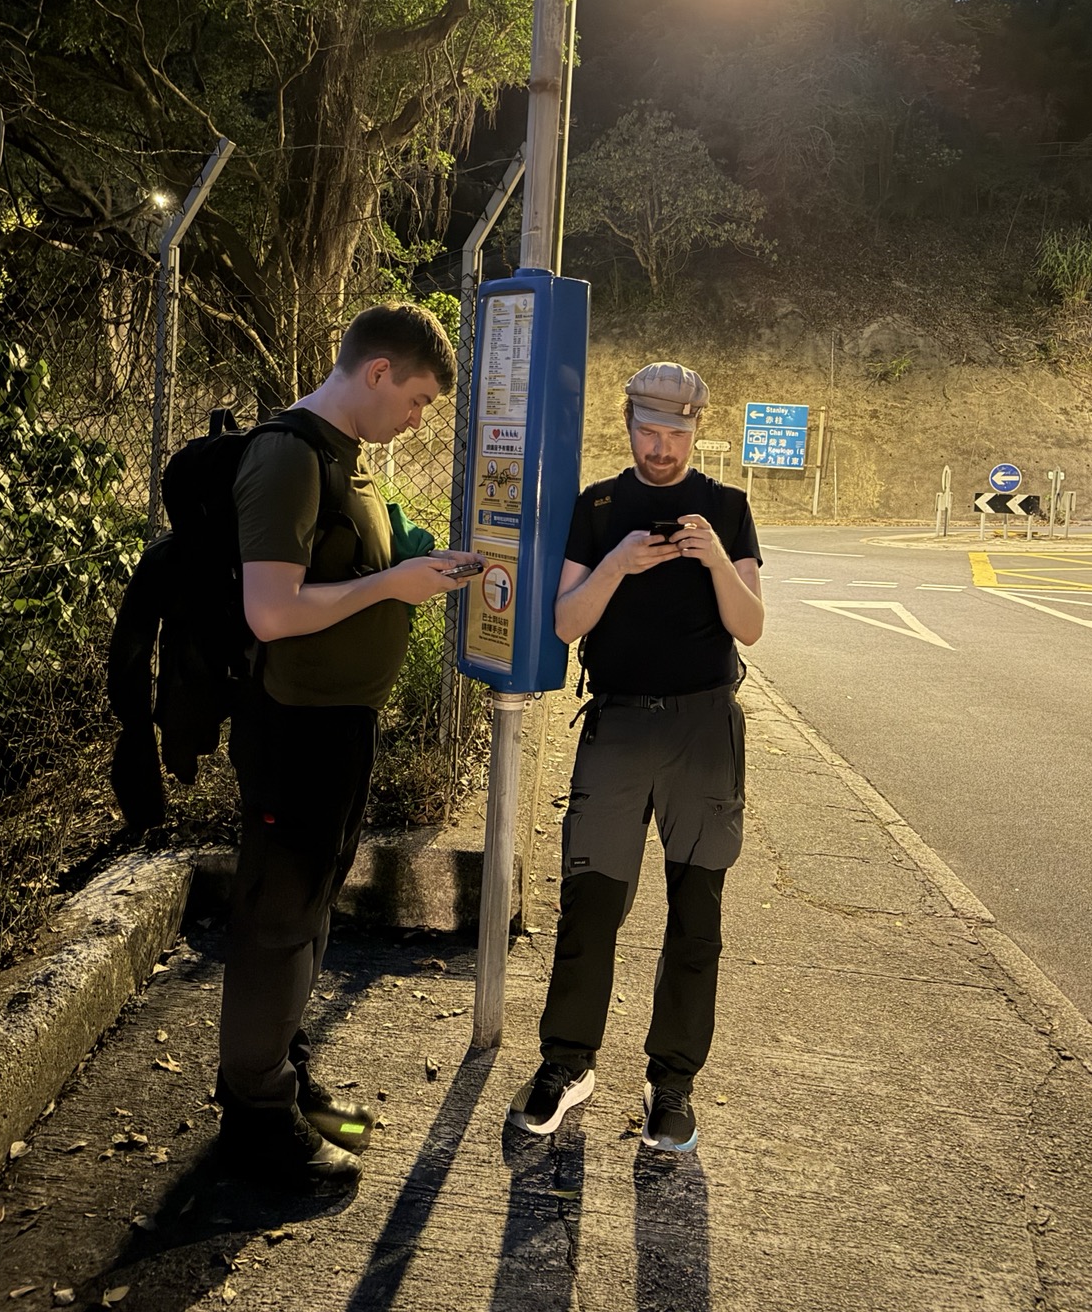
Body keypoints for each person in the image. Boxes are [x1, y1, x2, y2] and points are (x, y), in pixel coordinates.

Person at [216, 302, 483, 1190]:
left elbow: (357, 577)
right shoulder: (289, 458)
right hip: (291, 729)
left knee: (313, 913)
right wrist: (390, 587)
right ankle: (256, 1122)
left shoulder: (345, 461)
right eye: (415, 401)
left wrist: (411, 570)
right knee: (277, 921)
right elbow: (271, 610)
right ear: (376, 373)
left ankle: (285, 1083)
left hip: (337, 726)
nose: (417, 419)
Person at [507, 361, 764, 1153]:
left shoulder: (727, 507)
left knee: (697, 915)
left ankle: (673, 1084)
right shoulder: (600, 506)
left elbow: (750, 627)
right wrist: (619, 561)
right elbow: (564, 624)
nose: (662, 447)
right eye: (649, 432)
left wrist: (715, 558)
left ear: (696, 431)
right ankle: (567, 1063)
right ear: (627, 427)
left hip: (704, 730)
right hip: (616, 727)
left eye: (677, 433)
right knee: (591, 905)